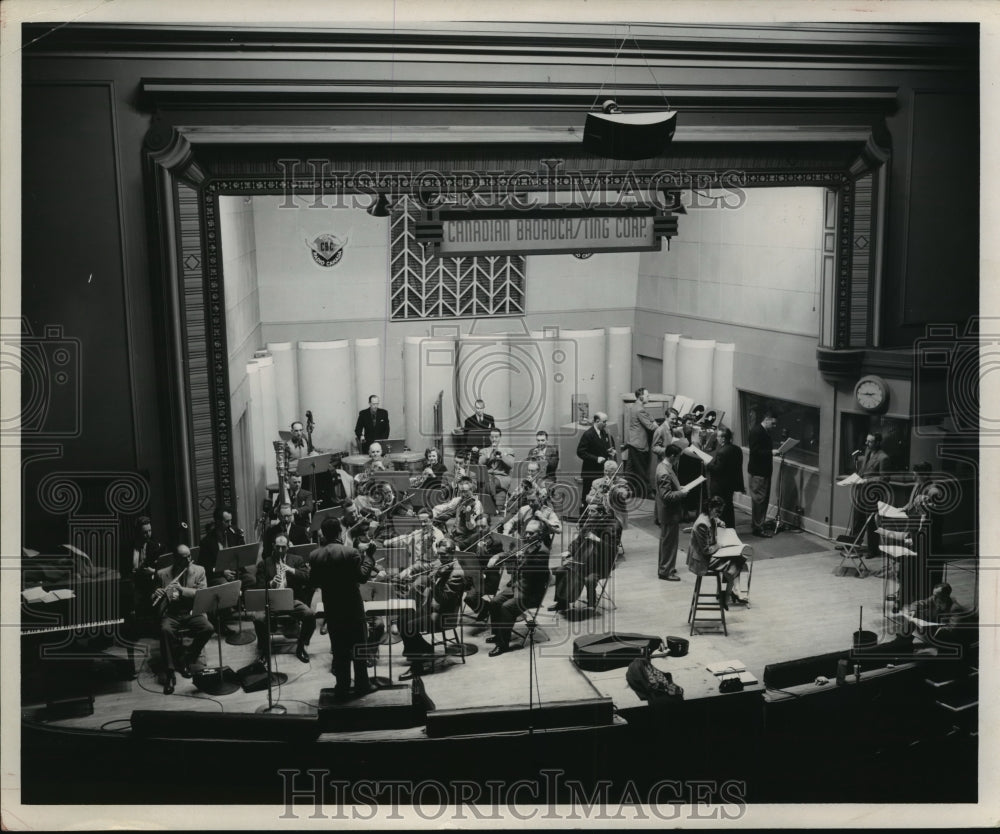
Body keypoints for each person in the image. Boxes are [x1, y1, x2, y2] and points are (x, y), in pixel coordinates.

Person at [309, 516, 379, 698]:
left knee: (339, 651)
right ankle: (363, 685)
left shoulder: (315, 555)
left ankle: (342, 687)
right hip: (353, 609)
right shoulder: (350, 553)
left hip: (333, 610)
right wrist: (369, 556)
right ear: (340, 532)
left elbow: (314, 582)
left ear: (323, 534)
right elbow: (363, 577)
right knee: (358, 648)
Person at [396, 538, 468, 679]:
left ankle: (418, 666)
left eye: (444, 555)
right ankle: (424, 647)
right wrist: (409, 570)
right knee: (401, 620)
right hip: (432, 608)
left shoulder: (457, 574)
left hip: (444, 614)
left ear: (453, 553)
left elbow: (445, 600)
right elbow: (425, 566)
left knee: (409, 627)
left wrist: (435, 579)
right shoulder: (442, 562)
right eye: (439, 554)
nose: (441, 558)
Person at [484, 519, 552, 657]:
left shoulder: (543, 552)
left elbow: (533, 574)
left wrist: (522, 559)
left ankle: (502, 645)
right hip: (518, 587)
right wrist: (497, 556)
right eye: (526, 532)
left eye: (531, 533)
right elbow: (510, 553)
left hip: (531, 593)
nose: (526, 535)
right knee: (494, 602)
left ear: (539, 535)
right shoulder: (527, 545)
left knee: (506, 607)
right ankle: (497, 635)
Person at [154, 544, 214, 694]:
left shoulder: (199, 571)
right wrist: (156, 594)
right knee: (165, 630)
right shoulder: (162, 574)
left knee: (208, 628)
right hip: (171, 613)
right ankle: (170, 671)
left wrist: (182, 590)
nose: (188, 559)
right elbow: (152, 596)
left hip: (192, 611)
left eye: (189, 556)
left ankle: (188, 658)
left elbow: (202, 593)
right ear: (175, 559)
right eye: (184, 557)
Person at [250, 534, 314, 664]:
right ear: (273, 546)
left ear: (288, 547)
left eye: (283, 547)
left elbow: (308, 578)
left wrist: (291, 570)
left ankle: (301, 646)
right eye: (277, 547)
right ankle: (265, 650)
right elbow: (259, 587)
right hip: (271, 601)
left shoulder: (297, 560)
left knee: (310, 615)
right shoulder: (264, 563)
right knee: (258, 618)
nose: (280, 551)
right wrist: (271, 584)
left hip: (292, 600)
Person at [550, 497, 622, 612]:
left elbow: (612, 549)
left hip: (600, 565)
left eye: (592, 511)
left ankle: (591, 604)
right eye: (588, 511)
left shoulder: (611, 526)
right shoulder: (589, 523)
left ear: (601, 513)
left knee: (589, 579)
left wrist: (597, 540)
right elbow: (578, 541)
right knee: (561, 570)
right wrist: (570, 550)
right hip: (583, 562)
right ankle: (562, 602)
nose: (589, 514)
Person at [686, 496, 748, 608]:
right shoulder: (702, 524)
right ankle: (729, 593)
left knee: (738, 558)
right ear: (710, 507)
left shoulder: (710, 516)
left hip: (710, 554)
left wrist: (720, 522)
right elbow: (706, 550)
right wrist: (719, 545)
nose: (719, 514)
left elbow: (715, 520)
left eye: (721, 512)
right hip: (702, 560)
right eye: (717, 511)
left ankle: (730, 591)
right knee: (735, 562)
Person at [849, 432, 891, 555]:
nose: (867, 443)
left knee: (871, 522)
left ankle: (872, 550)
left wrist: (867, 480)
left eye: (870, 441)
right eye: (867, 441)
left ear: (878, 442)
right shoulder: (868, 452)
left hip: (873, 495)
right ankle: (853, 545)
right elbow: (864, 470)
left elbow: (885, 478)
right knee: (858, 519)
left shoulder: (884, 458)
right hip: (861, 492)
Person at [381, 509, 446, 581]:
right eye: (420, 522)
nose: (422, 524)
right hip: (414, 567)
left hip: (428, 569)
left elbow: (435, 555)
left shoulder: (439, 535)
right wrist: (387, 542)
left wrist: (430, 545)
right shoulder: (419, 532)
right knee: (392, 577)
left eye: (425, 521)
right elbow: (404, 539)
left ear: (432, 520)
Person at [656, 444, 687, 581]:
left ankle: (666, 567)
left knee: (668, 542)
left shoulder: (663, 466)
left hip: (668, 512)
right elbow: (667, 496)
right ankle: (665, 571)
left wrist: (680, 488)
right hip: (669, 512)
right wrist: (681, 493)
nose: (678, 460)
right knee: (669, 543)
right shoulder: (664, 472)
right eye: (678, 457)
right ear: (673, 456)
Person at [576, 412, 617, 514]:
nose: (606, 424)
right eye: (604, 422)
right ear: (597, 421)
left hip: (601, 472)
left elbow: (602, 448)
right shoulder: (588, 434)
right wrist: (595, 458)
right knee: (588, 497)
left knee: (601, 497)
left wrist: (609, 451)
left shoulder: (604, 433)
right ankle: (584, 522)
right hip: (590, 472)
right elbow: (580, 452)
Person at [706, 426, 744, 529]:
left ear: (723, 438)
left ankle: (719, 531)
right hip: (730, 484)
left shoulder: (722, 452)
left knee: (718, 509)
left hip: (719, 485)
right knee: (729, 507)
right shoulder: (737, 449)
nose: (717, 438)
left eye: (718, 436)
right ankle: (730, 529)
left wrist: (707, 464)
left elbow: (718, 470)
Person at [432, 477, 484, 550]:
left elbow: (471, 527)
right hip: (454, 535)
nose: (463, 494)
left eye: (465, 491)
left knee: (444, 549)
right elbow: (444, 507)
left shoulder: (477, 504)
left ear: (472, 490)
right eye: (461, 491)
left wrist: (468, 516)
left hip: (466, 539)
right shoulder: (459, 500)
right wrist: (432, 513)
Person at [748, 411, 778, 537]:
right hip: (758, 472)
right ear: (767, 419)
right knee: (759, 501)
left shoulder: (763, 431)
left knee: (762, 500)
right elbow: (755, 452)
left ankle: (758, 524)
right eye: (773, 423)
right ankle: (758, 527)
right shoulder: (757, 432)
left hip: (763, 472)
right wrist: (771, 453)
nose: (774, 426)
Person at [198, 507, 246, 586]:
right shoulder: (206, 542)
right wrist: (223, 572)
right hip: (217, 575)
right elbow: (205, 567)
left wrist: (241, 539)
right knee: (225, 585)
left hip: (235, 571)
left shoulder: (233, 533)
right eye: (227, 521)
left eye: (231, 521)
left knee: (251, 579)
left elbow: (241, 555)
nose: (230, 524)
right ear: (217, 521)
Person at [624, 387, 657, 499]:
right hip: (639, 445)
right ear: (641, 396)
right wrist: (657, 425)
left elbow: (648, 417)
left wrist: (651, 419)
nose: (649, 397)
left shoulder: (636, 407)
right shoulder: (639, 409)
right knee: (642, 471)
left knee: (631, 470)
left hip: (634, 443)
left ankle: (630, 492)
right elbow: (651, 427)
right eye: (647, 396)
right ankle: (647, 494)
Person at [473, 427, 516, 506]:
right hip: (487, 477)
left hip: (502, 478)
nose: (494, 439)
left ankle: (490, 503)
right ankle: (491, 503)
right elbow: (480, 463)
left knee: (489, 482)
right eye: (492, 437)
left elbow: (511, 464)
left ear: (500, 437)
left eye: (496, 437)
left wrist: (501, 454)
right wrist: (489, 455)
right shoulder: (484, 451)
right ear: (489, 438)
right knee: (483, 481)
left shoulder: (508, 450)